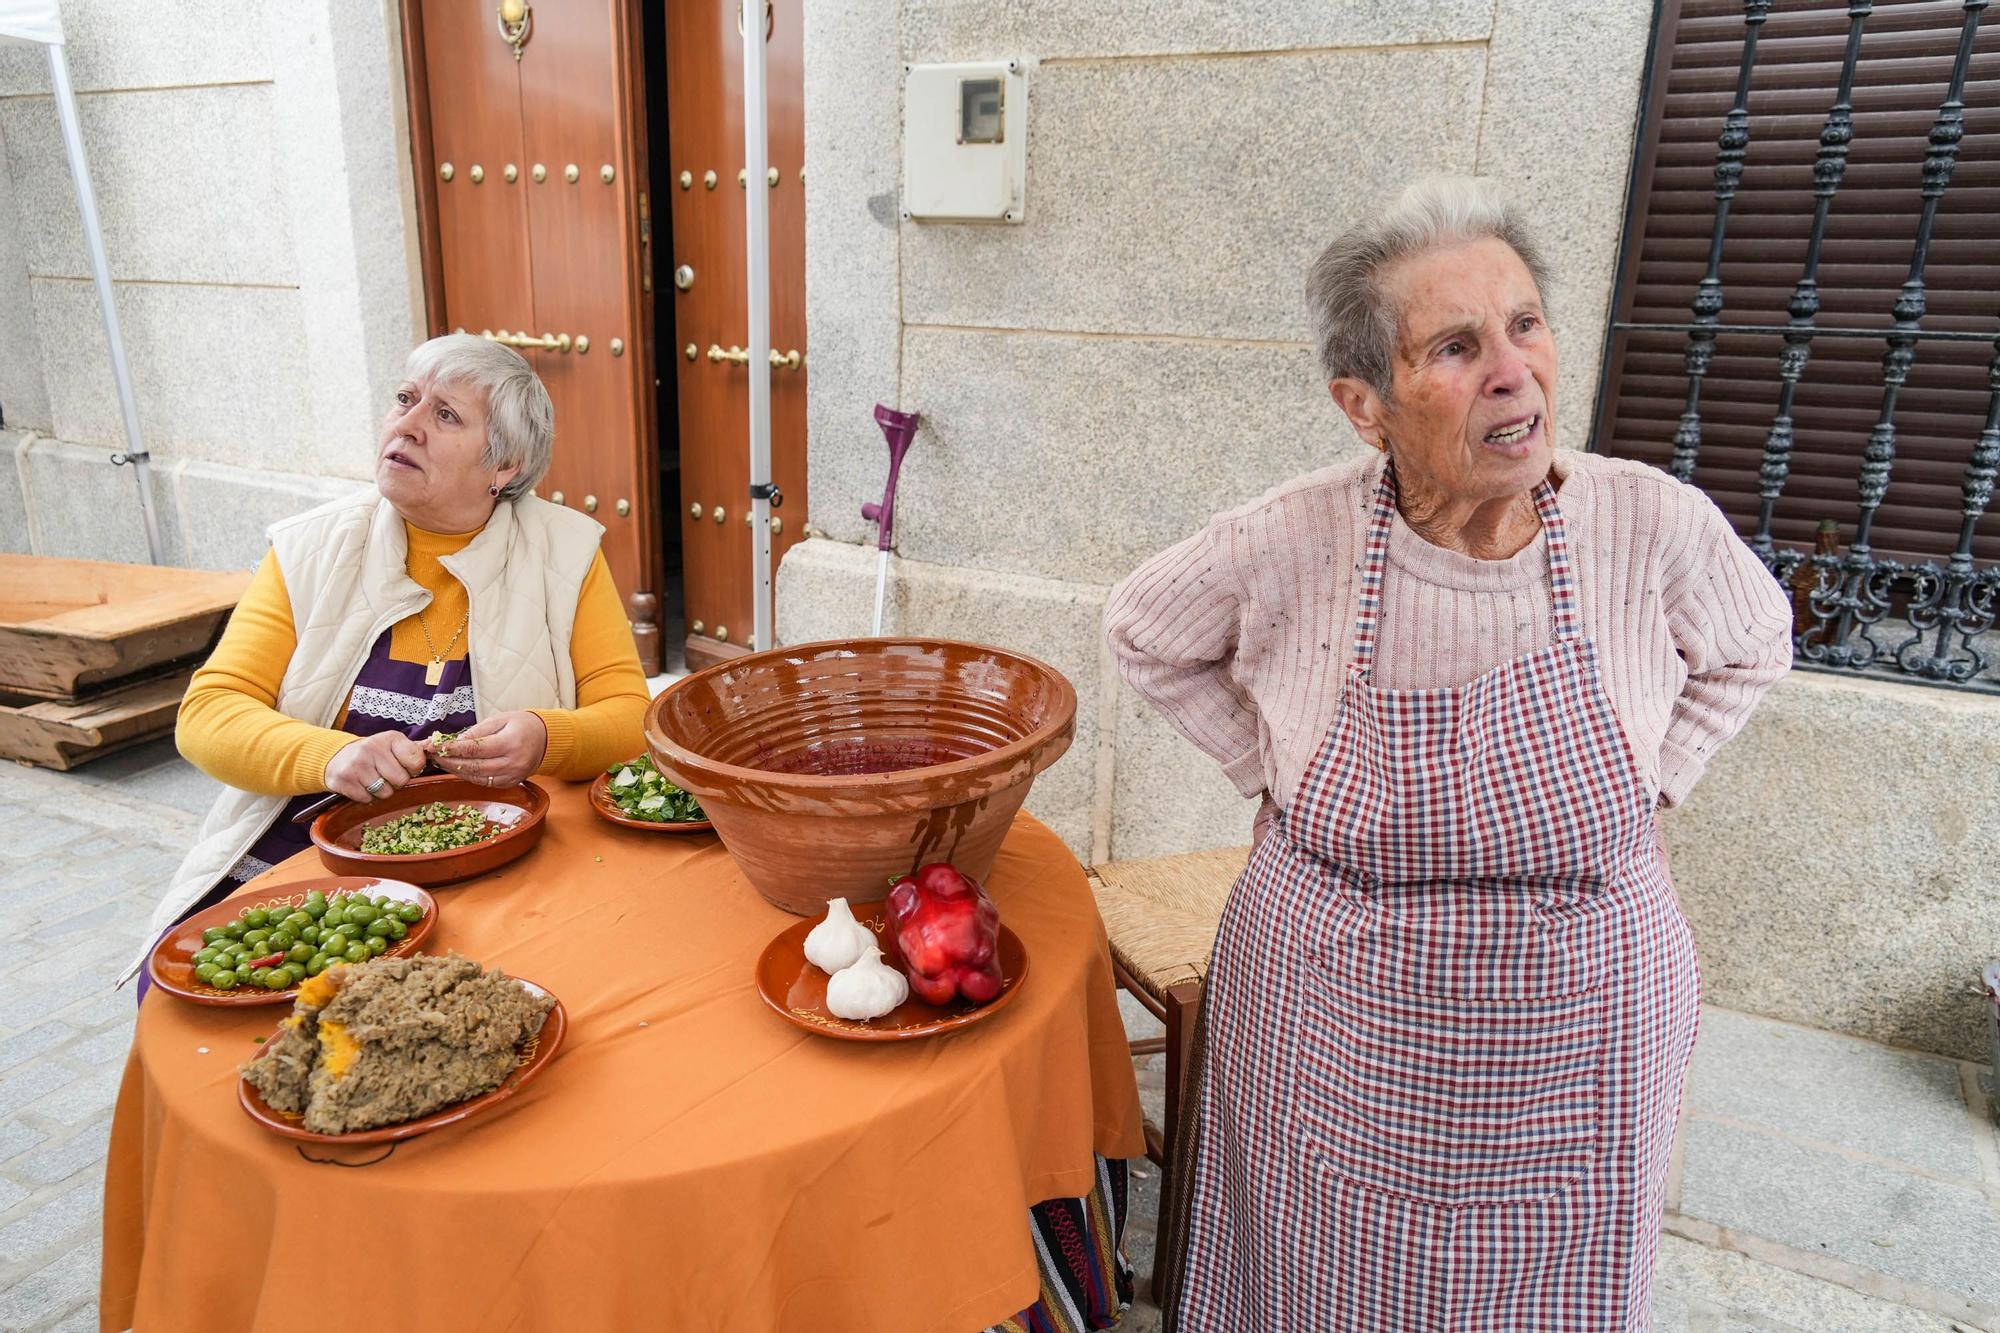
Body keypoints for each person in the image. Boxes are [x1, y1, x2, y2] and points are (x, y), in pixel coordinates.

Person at [1105, 176, 1793, 1329]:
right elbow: (1144, 630)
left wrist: (1653, 776)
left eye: (1524, 325)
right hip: (1334, 1012)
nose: (1511, 370)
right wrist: (1268, 767)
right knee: (1322, 1276)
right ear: (1363, 405)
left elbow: (1752, 641)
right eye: (1456, 346)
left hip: (1580, 1023)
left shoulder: (1646, 520)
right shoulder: (1289, 536)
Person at [125, 333, 650, 993]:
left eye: (445, 414)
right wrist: (331, 758)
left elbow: (632, 717)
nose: (407, 425)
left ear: (504, 466)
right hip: (314, 853)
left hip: (496, 856)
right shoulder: (311, 548)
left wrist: (547, 737)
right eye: (405, 400)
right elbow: (206, 715)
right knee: (193, 988)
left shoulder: (565, 552)